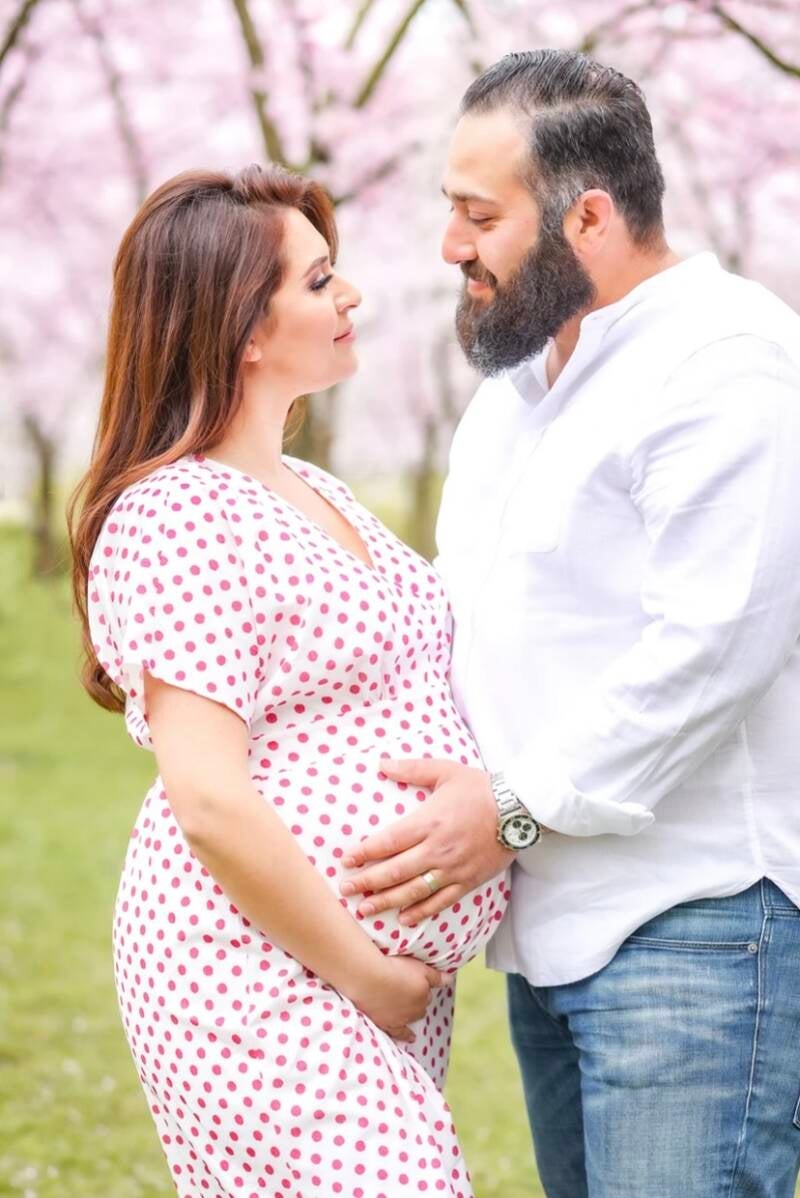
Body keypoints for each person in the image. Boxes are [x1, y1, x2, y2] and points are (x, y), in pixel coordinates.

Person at [339, 48, 800, 1198]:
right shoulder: (515, 391)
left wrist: (508, 809)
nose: (449, 247)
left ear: (587, 216)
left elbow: (711, 647)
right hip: (547, 930)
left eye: (477, 215)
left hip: (691, 931)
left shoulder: (724, 363)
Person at [68, 164, 510, 1198]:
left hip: (363, 972)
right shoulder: (179, 511)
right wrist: (367, 973)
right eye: (317, 281)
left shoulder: (312, 490)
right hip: (256, 967)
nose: (350, 294)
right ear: (240, 328)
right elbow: (209, 800)